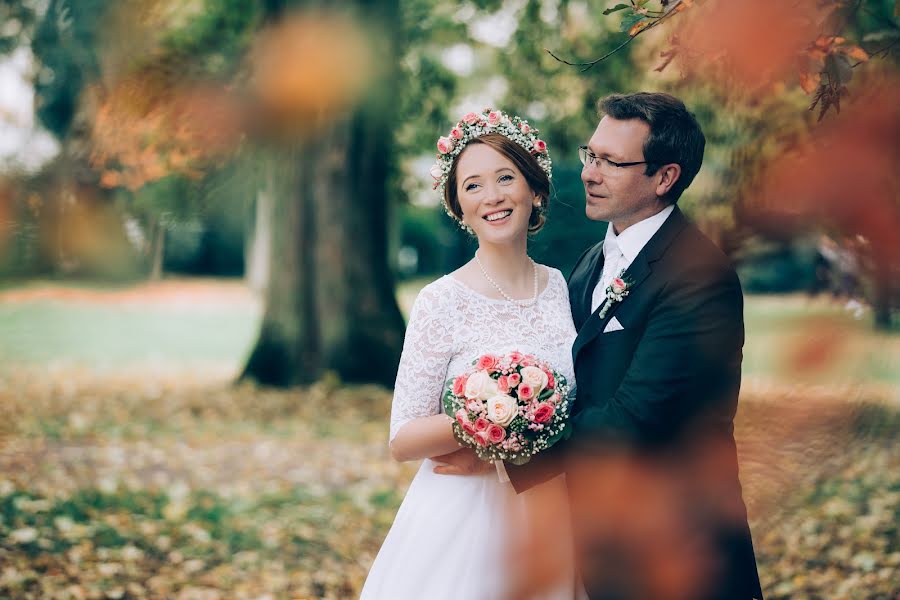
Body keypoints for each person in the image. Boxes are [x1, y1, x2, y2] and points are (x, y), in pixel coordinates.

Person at [500, 92, 765, 600]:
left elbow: (636, 418)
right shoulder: (589, 263)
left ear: (665, 177)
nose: (589, 174)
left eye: (611, 162)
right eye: (590, 155)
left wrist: (511, 449)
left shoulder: (697, 275)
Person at [360, 109, 580, 599]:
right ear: (458, 206)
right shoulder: (440, 301)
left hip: (551, 506)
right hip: (466, 512)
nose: (492, 196)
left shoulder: (562, 288)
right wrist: (491, 418)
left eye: (506, 177)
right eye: (473, 185)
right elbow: (403, 437)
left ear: (535, 190)